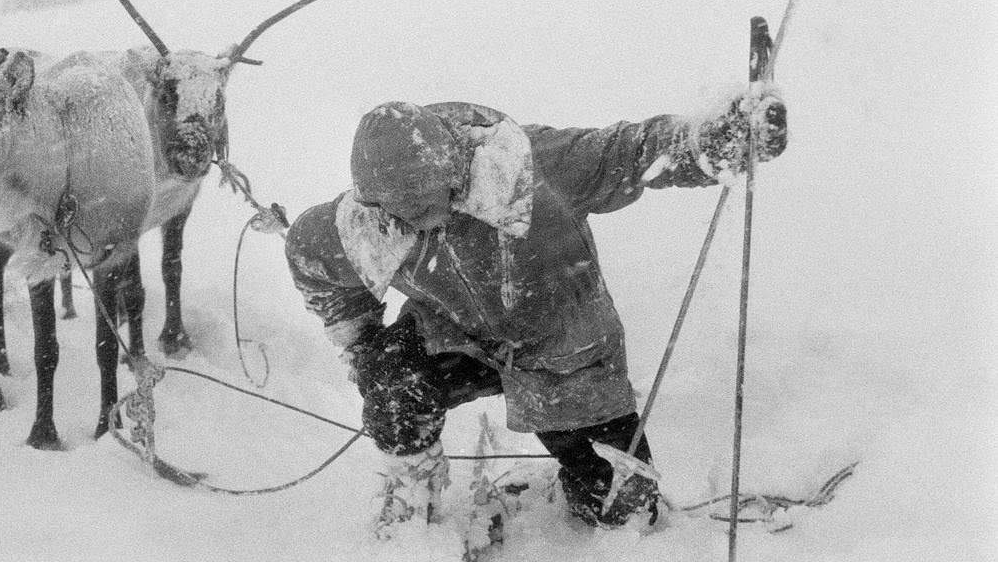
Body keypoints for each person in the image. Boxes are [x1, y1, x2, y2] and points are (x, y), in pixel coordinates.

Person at [284, 90, 786, 533]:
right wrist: (362, 343)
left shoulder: (531, 165)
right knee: (390, 382)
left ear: (452, 169)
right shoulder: (366, 220)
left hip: (562, 350)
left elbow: (631, 152)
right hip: (455, 337)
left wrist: (715, 139)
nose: (413, 221)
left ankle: (593, 486)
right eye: (400, 212)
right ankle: (415, 491)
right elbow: (311, 260)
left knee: (621, 512)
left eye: (422, 203)